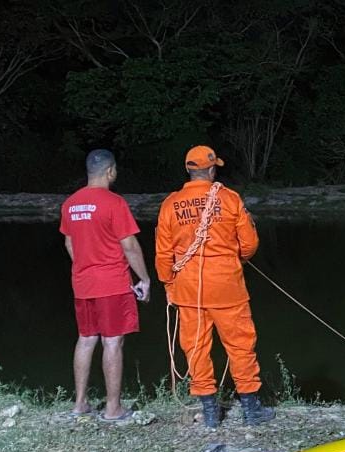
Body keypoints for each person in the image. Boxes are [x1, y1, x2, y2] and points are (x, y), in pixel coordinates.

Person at [155, 145, 274, 428]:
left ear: (188, 169)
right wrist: (234, 261)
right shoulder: (229, 198)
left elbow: (163, 254)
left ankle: (210, 412)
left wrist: (169, 284)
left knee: (196, 348)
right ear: (211, 169)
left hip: (188, 290)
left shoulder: (171, 204)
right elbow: (249, 244)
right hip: (227, 288)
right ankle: (250, 409)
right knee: (241, 346)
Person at [60, 149, 151, 422]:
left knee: (86, 339)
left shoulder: (70, 204)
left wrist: (86, 265)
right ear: (110, 171)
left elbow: (68, 242)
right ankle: (113, 408)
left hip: (83, 283)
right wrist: (144, 279)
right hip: (111, 283)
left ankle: (80, 404)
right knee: (113, 342)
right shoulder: (114, 203)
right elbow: (130, 246)